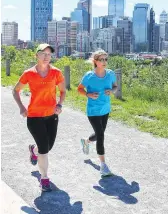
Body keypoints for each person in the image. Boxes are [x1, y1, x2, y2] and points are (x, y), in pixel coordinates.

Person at [12, 43, 66, 192]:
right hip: (34, 116)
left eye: (49, 54)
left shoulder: (56, 73)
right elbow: (15, 91)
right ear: (36, 55)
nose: (46, 57)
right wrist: (22, 107)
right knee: (44, 150)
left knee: (47, 147)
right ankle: (44, 178)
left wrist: (60, 105)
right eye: (43, 53)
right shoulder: (28, 73)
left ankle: (33, 150)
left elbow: (63, 91)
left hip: (51, 116)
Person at [77, 50, 117, 178]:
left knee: (100, 133)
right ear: (95, 61)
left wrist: (111, 90)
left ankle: (86, 142)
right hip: (93, 111)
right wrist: (88, 94)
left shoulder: (110, 74)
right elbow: (79, 89)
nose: (104, 62)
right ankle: (103, 165)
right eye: (101, 59)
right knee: (100, 135)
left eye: (106, 59)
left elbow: (115, 86)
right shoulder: (89, 76)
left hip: (105, 109)